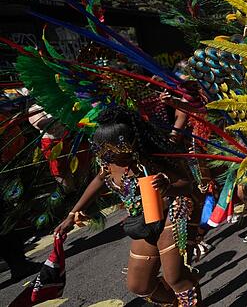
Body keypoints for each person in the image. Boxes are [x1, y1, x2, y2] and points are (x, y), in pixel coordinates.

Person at [54, 106, 201, 305]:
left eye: (111, 149)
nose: (106, 155)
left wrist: (167, 187)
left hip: (173, 209)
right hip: (143, 219)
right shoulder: (109, 162)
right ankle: (175, 303)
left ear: (128, 144)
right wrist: (73, 213)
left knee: (175, 277)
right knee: (139, 285)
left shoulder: (150, 159)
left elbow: (186, 184)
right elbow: (99, 180)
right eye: (102, 148)